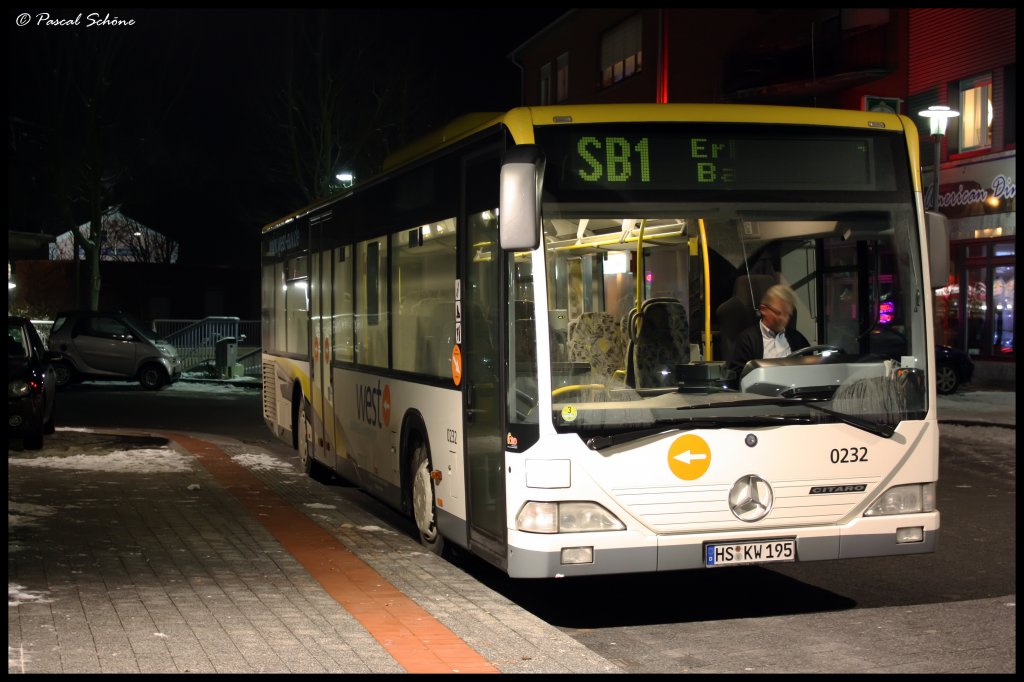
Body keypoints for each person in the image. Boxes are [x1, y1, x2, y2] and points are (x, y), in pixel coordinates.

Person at [726, 284, 810, 374]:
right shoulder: (747, 340)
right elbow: (738, 374)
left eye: (787, 314)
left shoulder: (798, 339)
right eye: (778, 313)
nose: (784, 319)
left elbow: (811, 369)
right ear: (763, 309)